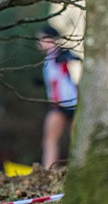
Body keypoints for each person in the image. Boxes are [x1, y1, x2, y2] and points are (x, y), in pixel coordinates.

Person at [37, 25, 80, 169]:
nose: (39, 42)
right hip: (58, 105)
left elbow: (75, 64)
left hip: (70, 103)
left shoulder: (60, 55)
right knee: (50, 140)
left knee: (77, 139)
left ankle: (78, 168)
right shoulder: (48, 60)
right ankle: (50, 172)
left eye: (42, 38)